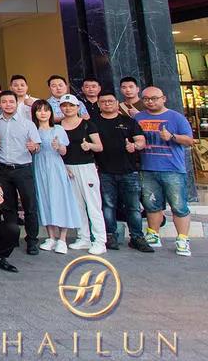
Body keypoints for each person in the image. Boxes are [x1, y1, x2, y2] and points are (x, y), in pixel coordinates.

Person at [135, 87, 195, 257]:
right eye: (146, 99)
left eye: (154, 98)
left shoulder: (176, 117)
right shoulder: (138, 118)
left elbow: (190, 140)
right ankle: (153, 234)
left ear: (164, 98)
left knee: (179, 206)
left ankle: (182, 239)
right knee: (151, 205)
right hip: (147, 168)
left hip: (173, 169)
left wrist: (172, 137)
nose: (150, 102)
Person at [94, 92, 153, 253]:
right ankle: (110, 236)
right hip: (105, 171)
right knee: (108, 206)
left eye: (110, 101)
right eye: (103, 102)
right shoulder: (93, 122)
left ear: (117, 103)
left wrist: (135, 146)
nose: (107, 104)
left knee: (133, 207)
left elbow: (141, 140)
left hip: (129, 171)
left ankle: (137, 237)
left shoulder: (129, 121)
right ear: (98, 104)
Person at [0, 90, 42, 255]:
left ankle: (32, 240)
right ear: (0, 104)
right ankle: (12, 238)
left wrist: (34, 147)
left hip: (22, 168)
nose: (8, 104)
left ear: (16, 103)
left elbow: (37, 146)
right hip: (2, 169)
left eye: (11, 101)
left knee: (30, 206)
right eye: (4, 101)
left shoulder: (28, 123)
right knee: (8, 207)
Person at [29, 99, 79, 254]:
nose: (43, 113)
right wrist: (33, 148)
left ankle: (62, 239)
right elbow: (33, 150)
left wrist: (58, 147)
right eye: (39, 110)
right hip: (39, 167)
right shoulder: (32, 130)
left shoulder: (58, 129)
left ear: (51, 112)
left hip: (55, 167)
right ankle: (51, 237)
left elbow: (64, 151)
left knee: (60, 200)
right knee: (44, 200)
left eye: (46, 110)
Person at [58, 94, 106, 254]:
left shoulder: (87, 124)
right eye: (64, 105)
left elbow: (99, 146)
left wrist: (89, 146)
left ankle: (99, 240)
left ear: (78, 107)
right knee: (77, 205)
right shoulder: (58, 126)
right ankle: (84, 237)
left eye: (71, 105)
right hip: (68, 168)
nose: (68, 108)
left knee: (93, 205)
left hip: (86, 167)